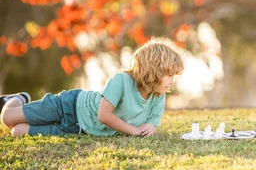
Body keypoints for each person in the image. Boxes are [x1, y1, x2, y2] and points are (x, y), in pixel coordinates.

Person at [0, 37, 185, 138]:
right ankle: (15, 99)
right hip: (70, 106)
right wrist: (135, 131)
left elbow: (151, 123)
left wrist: (150, 128)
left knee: (17, 131)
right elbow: (103, 116)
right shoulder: (121, 81)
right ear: (152, 70)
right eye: (169, 75)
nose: (172, 81)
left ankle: (22, 109)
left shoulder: (158, 96)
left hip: (78, 129)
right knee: (8, 119)